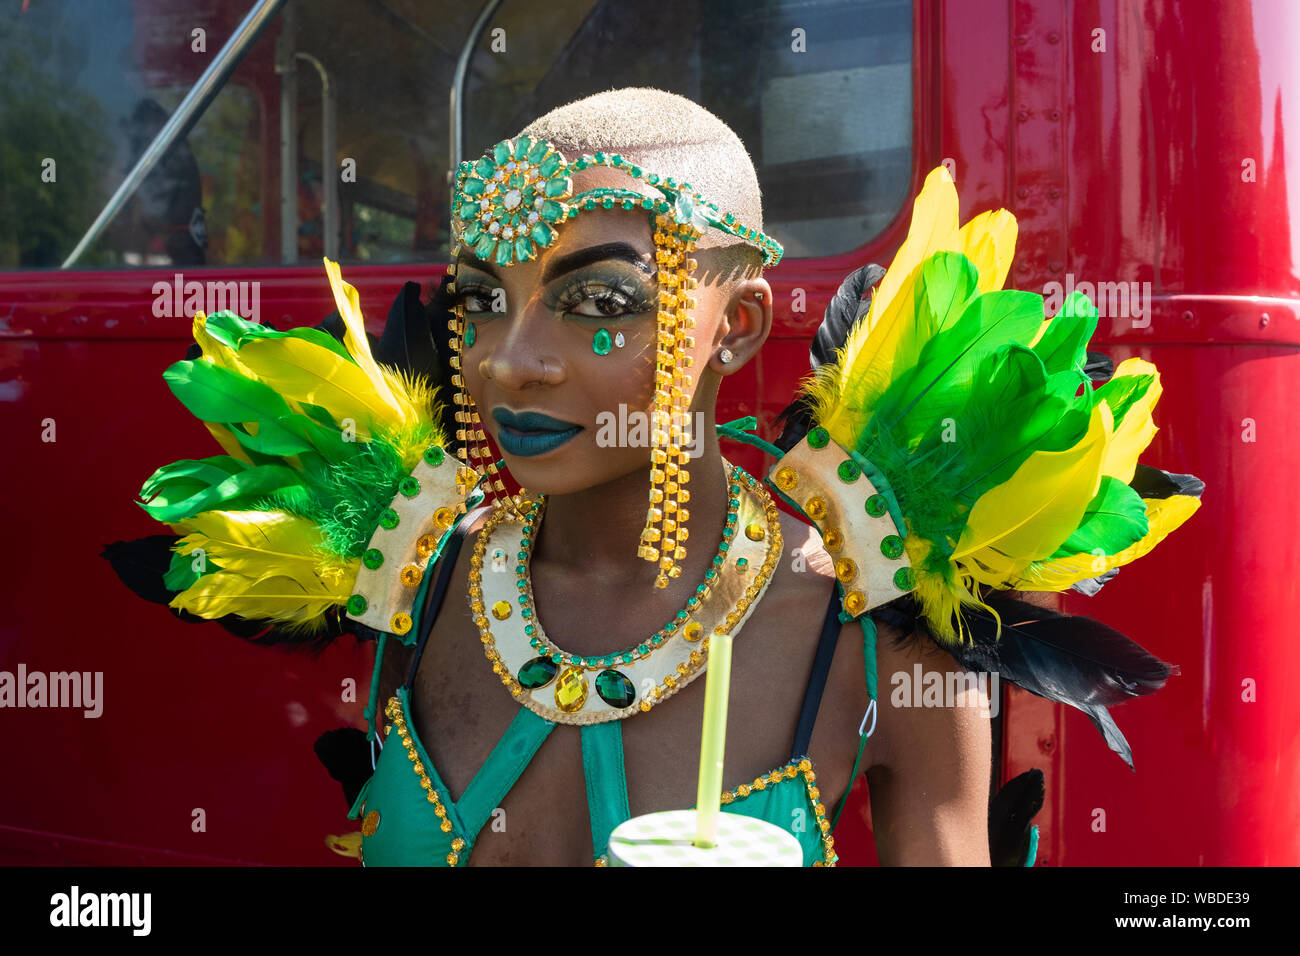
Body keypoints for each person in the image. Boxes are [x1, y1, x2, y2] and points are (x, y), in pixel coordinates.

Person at [105, 87, 1201, 867]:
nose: (510, 356)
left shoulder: (881, 621)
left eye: (595, 305)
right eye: (484, 296)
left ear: (739, 328)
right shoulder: (412, 575)